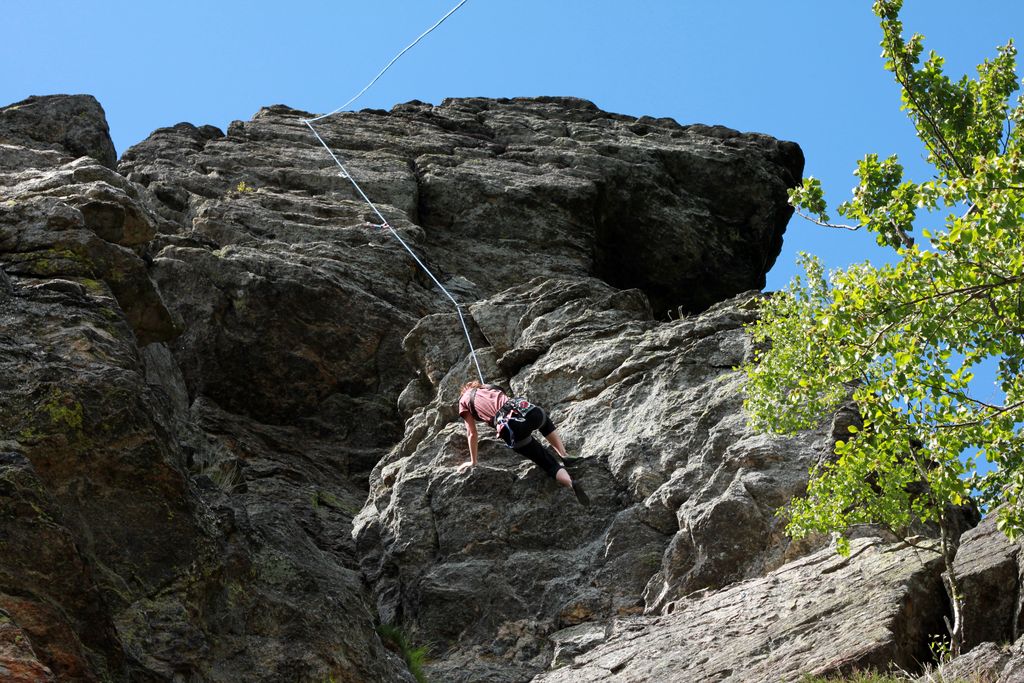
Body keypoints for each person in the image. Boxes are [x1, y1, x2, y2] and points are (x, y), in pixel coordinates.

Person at [457, 381, 589, 506]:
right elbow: (501, 393)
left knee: (547, 462)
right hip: (527, 410)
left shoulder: (464, 401)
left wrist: (473, 461)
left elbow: (472, 433)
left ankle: (571, 482)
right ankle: (564, 454)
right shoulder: (487, 387)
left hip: (512, 427)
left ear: (464, 392)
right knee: (544, 422)